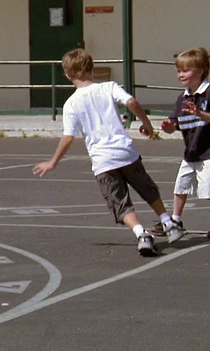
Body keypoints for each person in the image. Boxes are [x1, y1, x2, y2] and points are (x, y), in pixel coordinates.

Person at [33, 48, 184, 256]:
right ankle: (168, 222)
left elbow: (69, 136)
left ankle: (141, 233)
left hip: (102, 160)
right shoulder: (108, 87)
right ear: (92, 69)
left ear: (68, 75)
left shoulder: (71, 104)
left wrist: (53, 162)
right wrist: (146, 123)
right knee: (147, 188)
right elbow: (131, 102)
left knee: (119, 201)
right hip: (125, 152)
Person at [152, 47, 210, 239]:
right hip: (193, 150)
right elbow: (175, 123)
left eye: (186, 70)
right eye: (179, 71)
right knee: (181, 185)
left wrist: (200, 113)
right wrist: (167, 126)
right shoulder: (183, 98)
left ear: (201, 70)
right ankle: (175, 220)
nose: (181, 74)